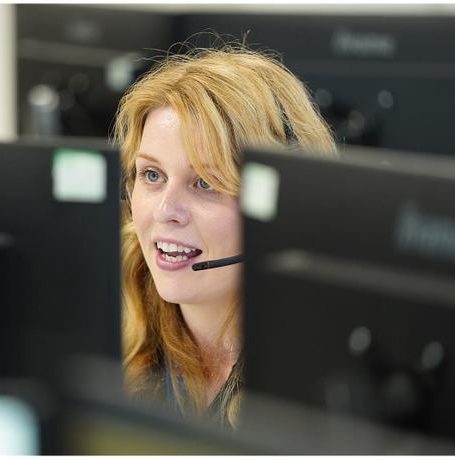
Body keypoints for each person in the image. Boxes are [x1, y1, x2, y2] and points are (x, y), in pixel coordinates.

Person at [111, 35, 337, 428]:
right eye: (152, 175)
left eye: (206, 183)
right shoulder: (112, 336)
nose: (167, 211)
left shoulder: (324, 384)